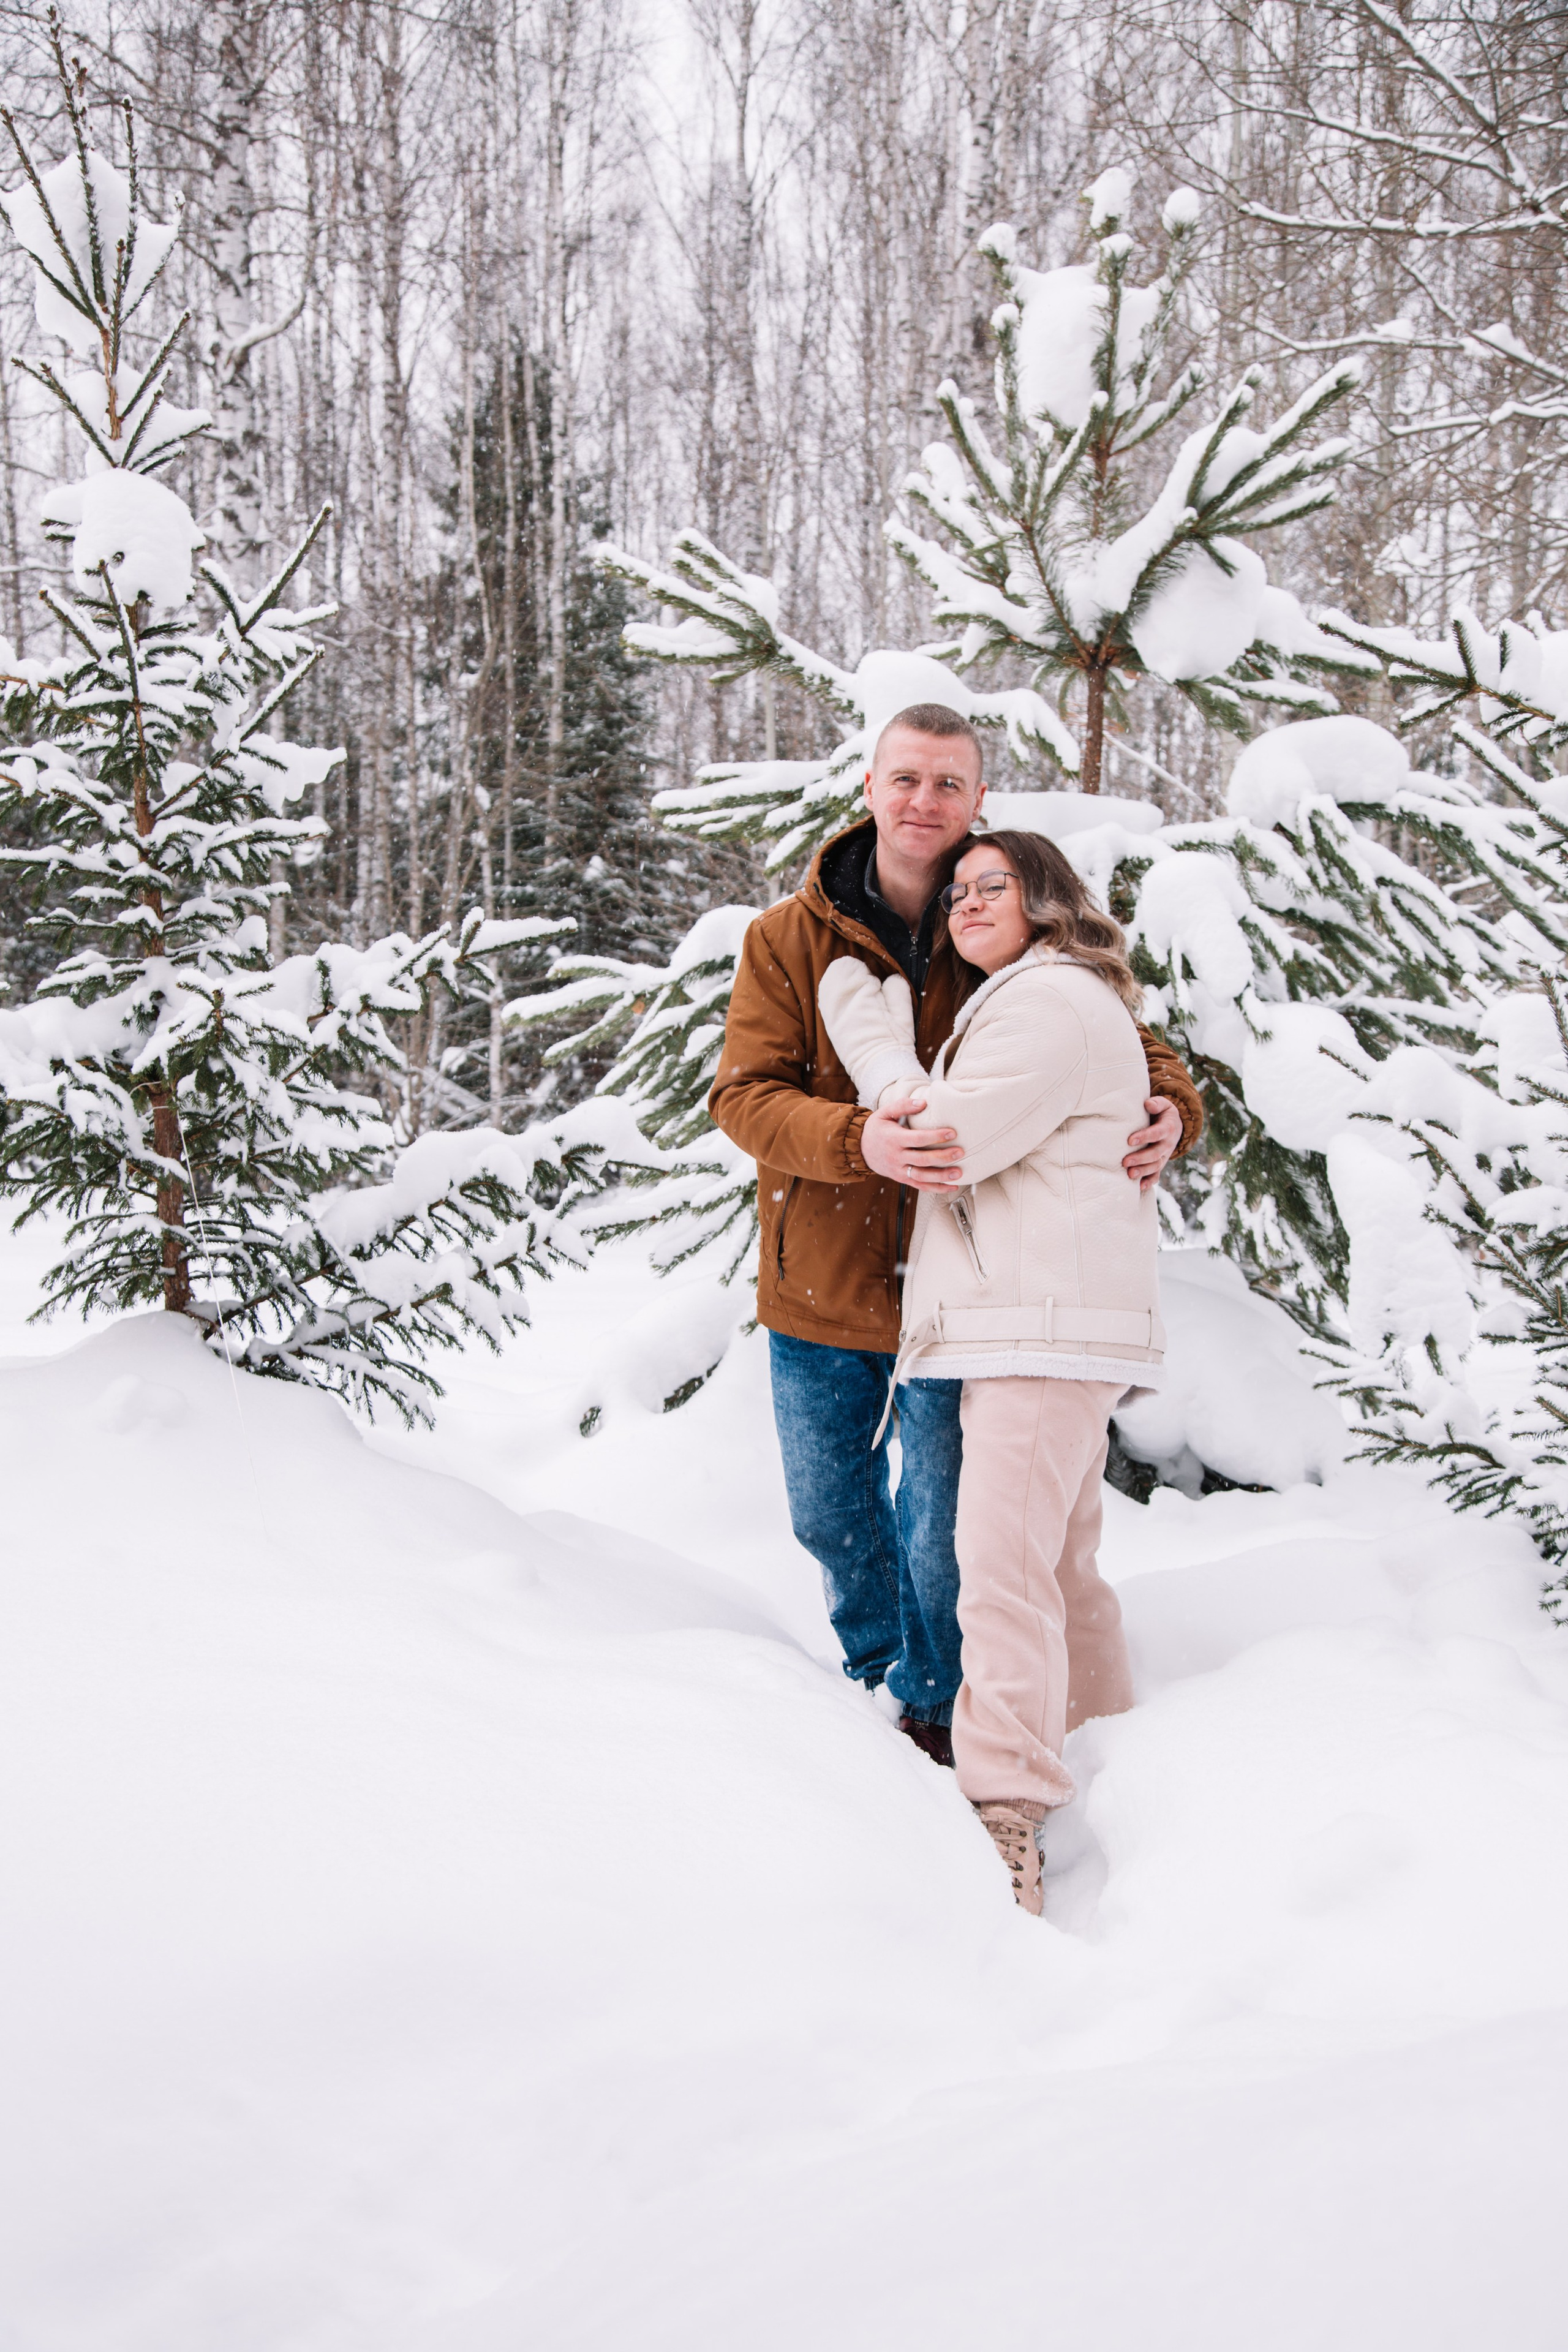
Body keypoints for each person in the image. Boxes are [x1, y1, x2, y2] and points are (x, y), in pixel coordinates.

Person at [709, 704, 1203, 1762]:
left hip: (967, 1291)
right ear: (872, 789)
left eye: (949, 784)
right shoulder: (787, 940)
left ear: (980, 799)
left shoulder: (1000, 917)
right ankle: (879, 1669)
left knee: (943, 1525)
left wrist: (1170, 1105)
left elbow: (1116, 1024)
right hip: (826, 1280)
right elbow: (745, 1097)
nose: (925, 802)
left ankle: (936, 1707)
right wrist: (857, 1142)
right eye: (906, 780)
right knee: (831, 1513)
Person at [817, 830, 1160, 1912]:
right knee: (1056, 1560)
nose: (966, 902)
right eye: (957, 890)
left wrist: (871, 1041)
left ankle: (1006, 1812)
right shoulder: (1032, 997)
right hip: (1047, 1322)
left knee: (999, 1564)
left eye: (991, 887)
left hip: (1040, 1327)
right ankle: (1114, 1751)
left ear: (1045, 899)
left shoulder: (1046, 1000)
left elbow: (948, 1143)